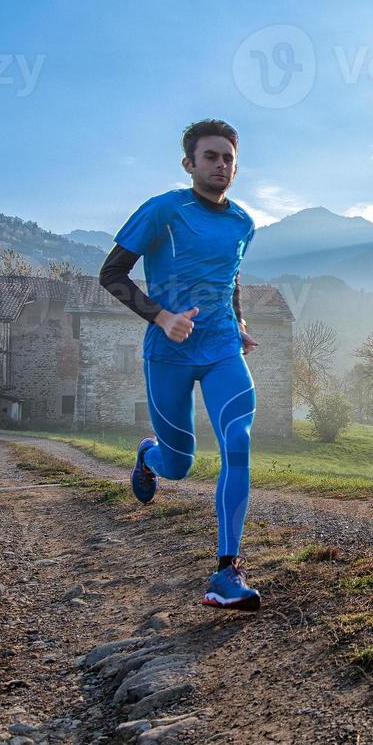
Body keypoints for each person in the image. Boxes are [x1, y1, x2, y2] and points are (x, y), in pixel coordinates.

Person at [98, 119, 263, 611]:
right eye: (210, 157)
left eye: (228, 158)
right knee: (179, 464)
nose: (220, 165)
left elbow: (228, 278)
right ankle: (149, 457)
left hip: (221, 350)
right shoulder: (163, 211)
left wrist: (238, 322)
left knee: (238, 441)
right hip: (168, 353)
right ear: (189, 163)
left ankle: (226, 573)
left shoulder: (243, 223)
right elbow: (112, 274)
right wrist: (162, 316)